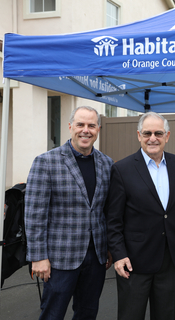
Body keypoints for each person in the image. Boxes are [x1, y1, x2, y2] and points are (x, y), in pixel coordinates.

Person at [25, 106, 114, 319]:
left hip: (96, 257)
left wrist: (110, 248)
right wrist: (38, 257)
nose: (86, 130)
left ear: (98, 129)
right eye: (80, 124)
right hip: (59, 259)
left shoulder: (107, 163)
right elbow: (34, 214)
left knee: (87, 313)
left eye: (91, 125)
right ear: (70, 127)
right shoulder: (46, 162)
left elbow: (106, 211)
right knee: (52, 314)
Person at [106, 112, 175, 320]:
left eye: (158, 133)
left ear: (167, 136)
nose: (153, 138)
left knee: (166, 316)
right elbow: (113, 219)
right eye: (147, 133)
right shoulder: (122, 169)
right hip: (134, 262)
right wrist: (118, 255)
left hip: (171, 260)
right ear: (139, 135)